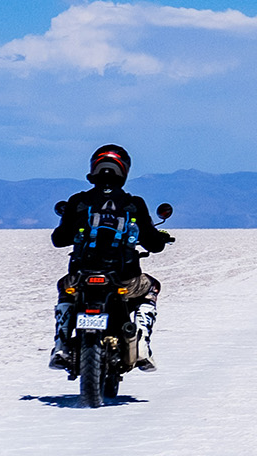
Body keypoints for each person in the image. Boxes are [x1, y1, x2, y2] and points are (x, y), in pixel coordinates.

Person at [48, 145, 173, 371]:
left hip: (80, 278)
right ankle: (142, 343)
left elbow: (58, 239)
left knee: (63, 288)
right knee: (151, 287)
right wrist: (159, 240)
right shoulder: (134, 204)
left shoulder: (78, 201)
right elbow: (153, 243)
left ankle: (62, 343)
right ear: (124, 170)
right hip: (125, 280)